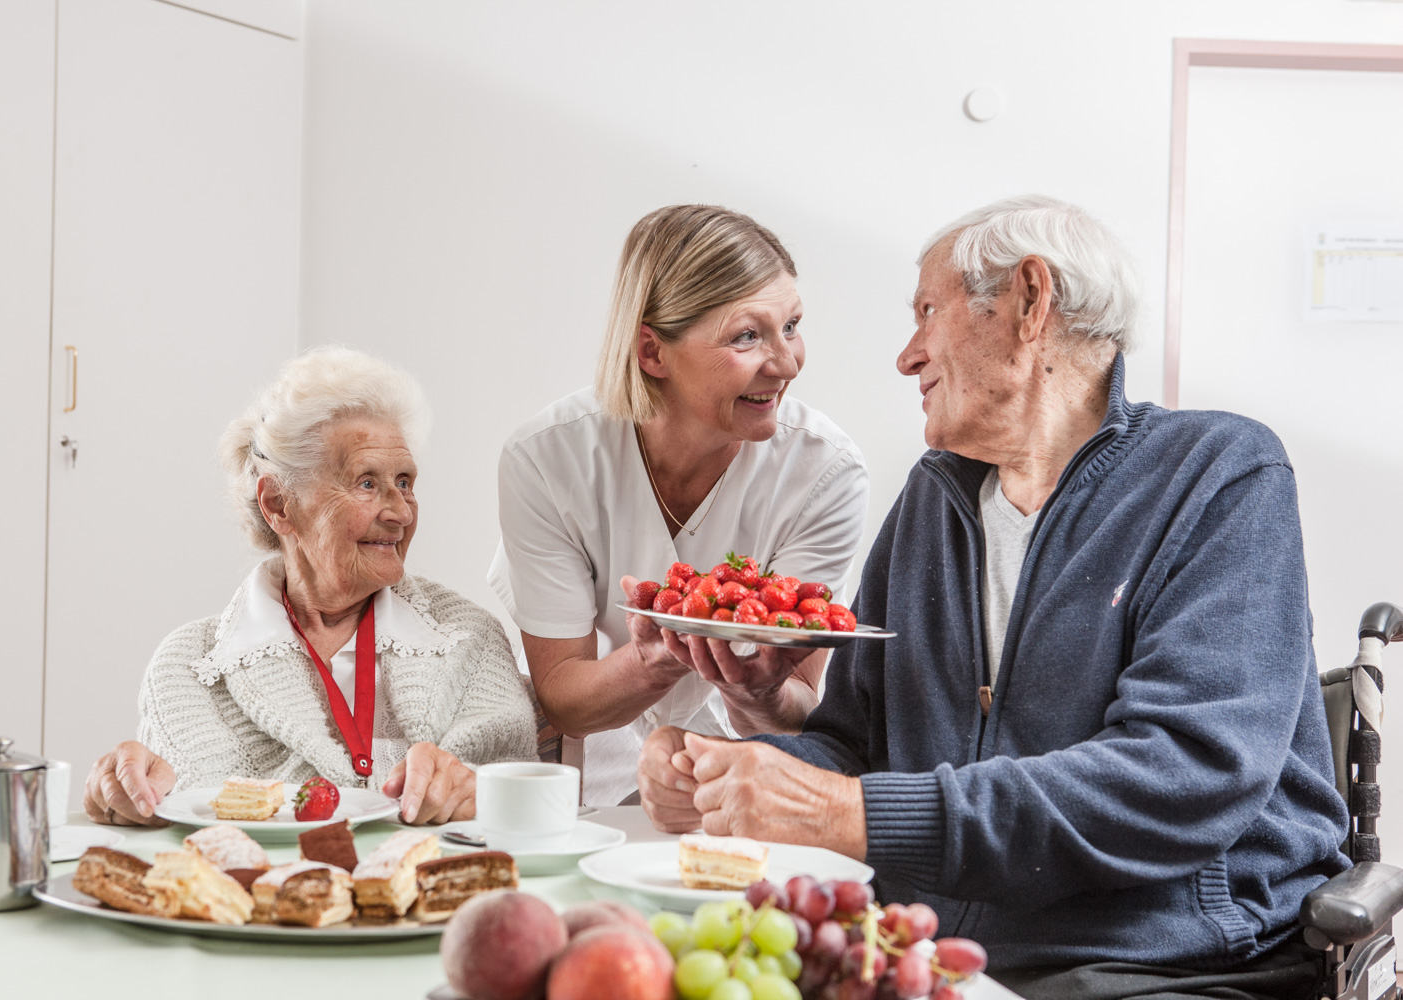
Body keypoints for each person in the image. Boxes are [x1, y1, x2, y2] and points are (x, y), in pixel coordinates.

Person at [638, 196, 1350, 998]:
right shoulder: (929, 503)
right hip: (939, 954)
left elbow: (1183, 774)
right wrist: (736, 771)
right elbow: (857, 749)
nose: (907, 357)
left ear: (1030, 299)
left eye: (928, 314)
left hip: (1160, 964)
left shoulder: (1218, 474)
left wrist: (851, 814)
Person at [489, 205, 869, 806]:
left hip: (751, 767)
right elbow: (565, 695)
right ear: (652, 352)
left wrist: (760, 691)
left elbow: (798, 711)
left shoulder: (826, 473)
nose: (788, 362)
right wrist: (659, 656)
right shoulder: (547, 459)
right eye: (747, 335)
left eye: (791, 326)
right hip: (597, 757)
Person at [85, 347, 537, 827]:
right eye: (366, 483)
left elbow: (526, 797)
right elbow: (187, 824)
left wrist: (478, 789)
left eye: (404, 482)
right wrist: (135, 791)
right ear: (279, 504)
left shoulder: (468, 639)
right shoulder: (187, 669)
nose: (401, 512)